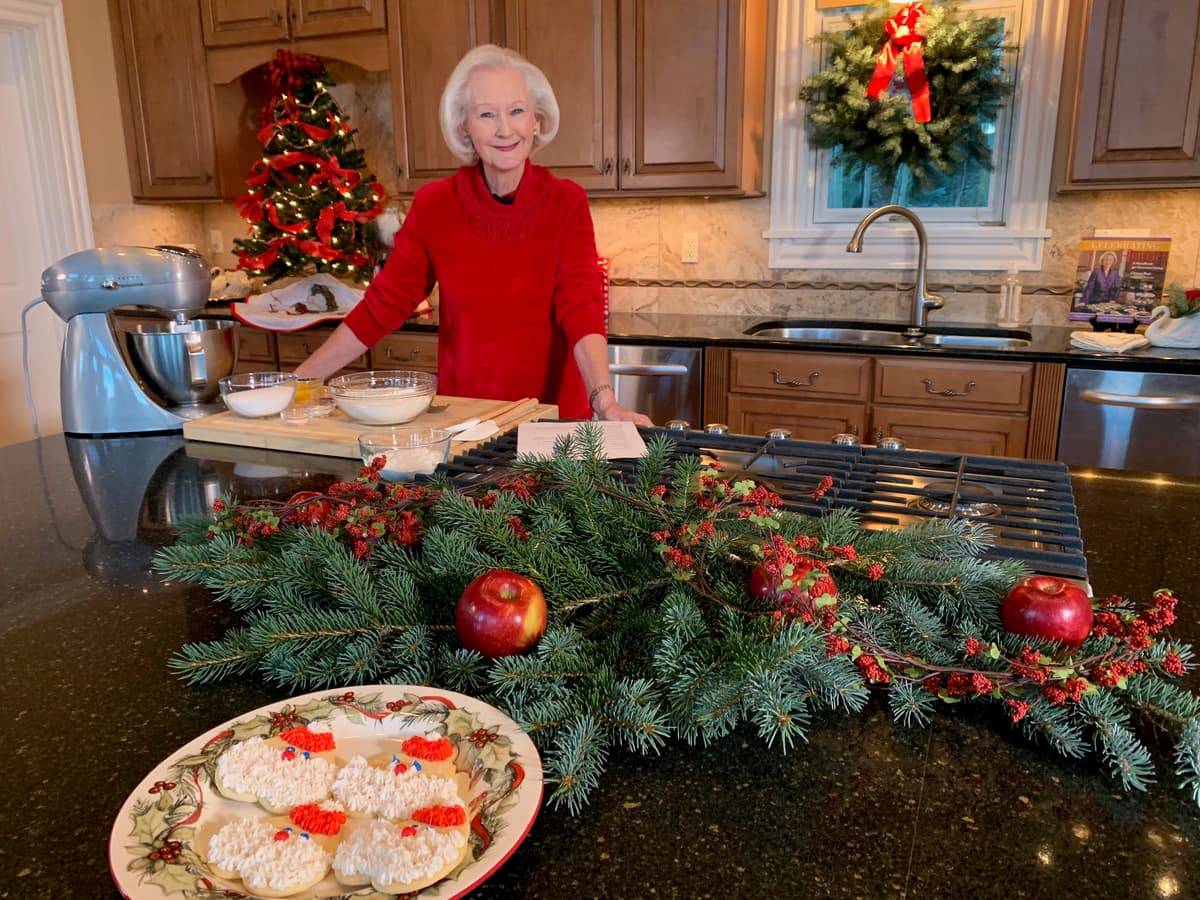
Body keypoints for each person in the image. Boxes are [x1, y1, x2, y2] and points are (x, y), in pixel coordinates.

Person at [294, 44, 651, 425]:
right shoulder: (435, 205)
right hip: (467, 423)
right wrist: (299, 381)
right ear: (464, 125)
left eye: (517, 110)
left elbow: (581, 307)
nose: (504, 129)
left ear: (536, 120)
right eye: (486, 114)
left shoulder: (566, 202)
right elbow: (384, 305)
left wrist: (605, 401)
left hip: (553, 421)